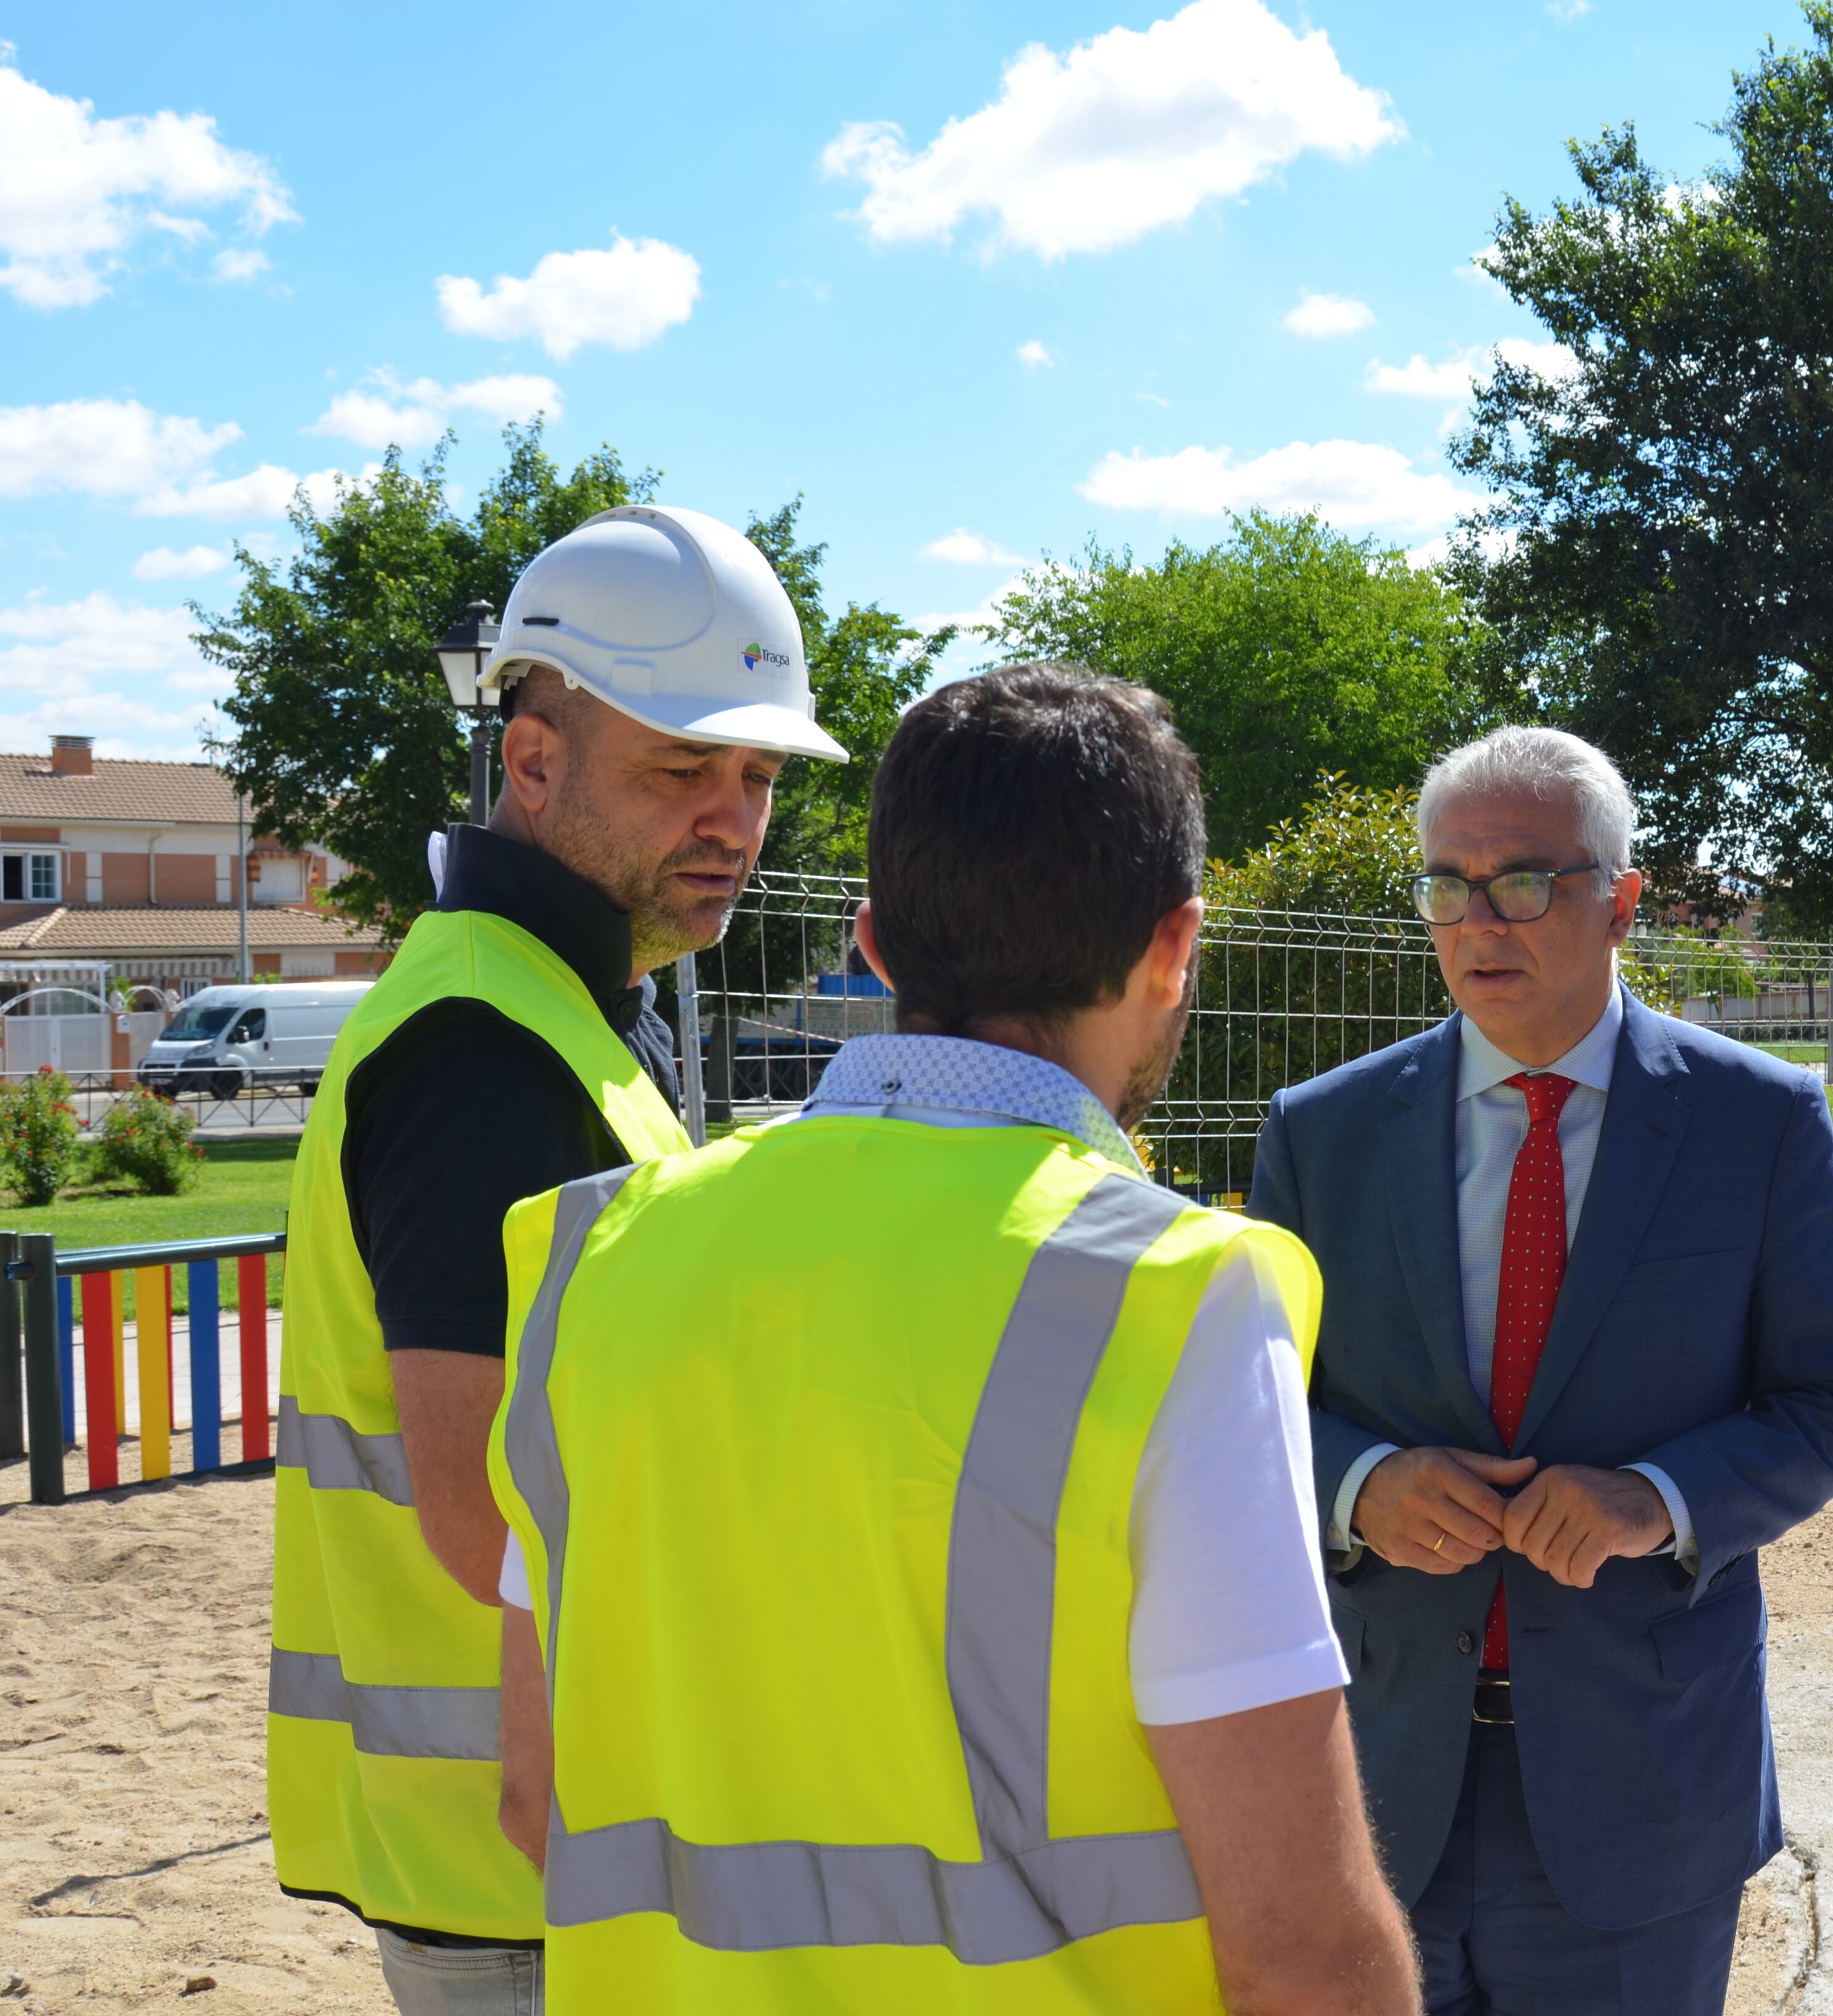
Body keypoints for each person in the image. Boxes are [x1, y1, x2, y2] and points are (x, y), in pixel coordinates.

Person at [486, 664, 1418, 2014]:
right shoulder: (1170, 1296)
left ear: (872, 943)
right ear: (1176, 945)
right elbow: (1301, 1948)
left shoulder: (596, 1254)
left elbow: (536, 1798)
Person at [271, 504, 841, 2012]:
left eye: (761, 775)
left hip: (553, 1845)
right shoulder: (484, 1044)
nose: (733, 816)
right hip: (537, 1867)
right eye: (679, 769)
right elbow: (481, 1517)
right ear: (532, 760)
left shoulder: (559, 1003)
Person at [1245, 725, 1833, 2014]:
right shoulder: (1323, 1132)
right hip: (1376, 1774)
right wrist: (1360, 1483)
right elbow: (1249, 1407)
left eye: (1523, 882)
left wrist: (1655, 1499)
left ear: (1622, 901)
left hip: (1642, 1789)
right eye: (1446, 885)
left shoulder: (1754, 1120)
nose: (1478, 921)